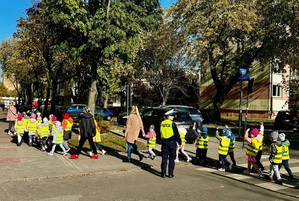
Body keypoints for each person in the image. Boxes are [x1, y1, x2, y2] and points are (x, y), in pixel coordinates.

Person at [160, 109, 182, 178]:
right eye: (172, 116)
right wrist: (179, 142)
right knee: (172, 158)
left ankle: (163, 173)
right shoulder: (172, 123)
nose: (173, 117)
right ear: (169, 116)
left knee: (164, 158)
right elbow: (176, 133)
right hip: (171, 142)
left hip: (164, 142)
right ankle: (170, 173)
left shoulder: (162, 123)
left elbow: (159, 133)